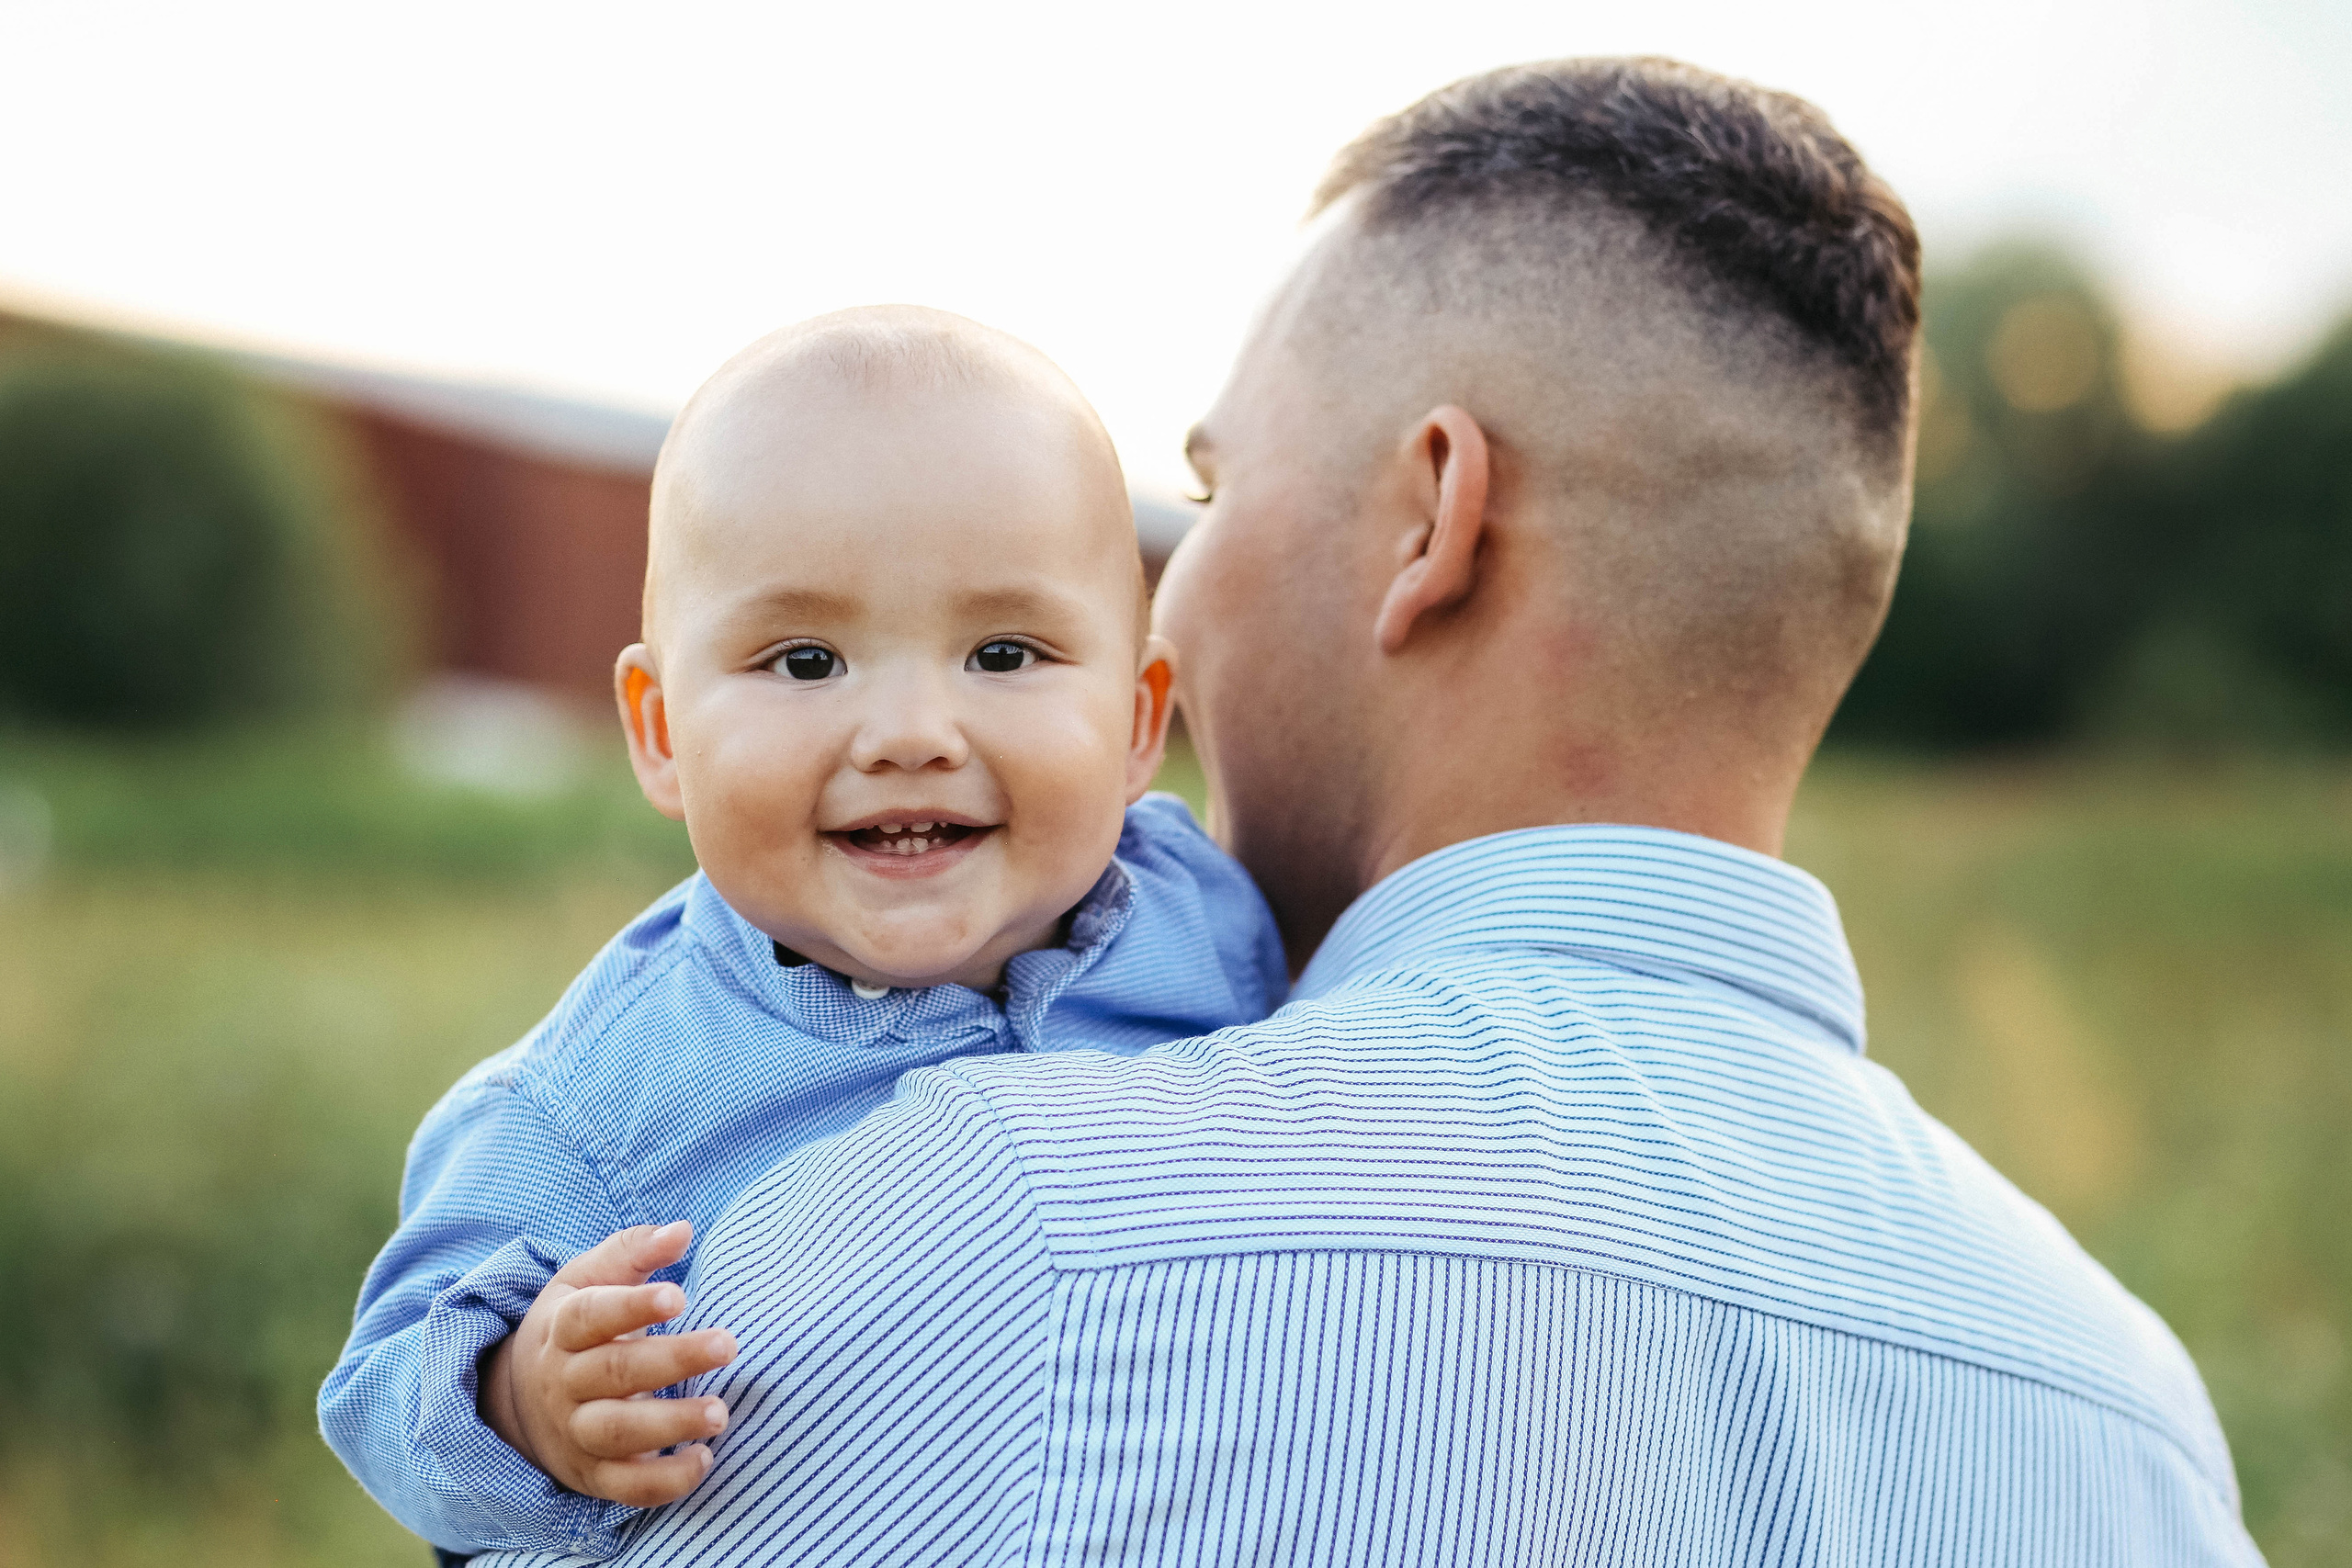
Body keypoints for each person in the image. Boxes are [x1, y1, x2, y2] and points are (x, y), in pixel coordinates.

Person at [471, 57, 2264, 1565]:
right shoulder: (2134, 1418)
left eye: (1213, 485)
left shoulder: (991, 1217)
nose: (1163, 608)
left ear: (1428, 522)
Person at [317, 308, 1288, 1561]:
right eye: (805, 660)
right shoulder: (601, 1098)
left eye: (1004, 651)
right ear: (662, 729)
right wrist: (522, 1398)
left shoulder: (1214, 919)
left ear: (1140, 718)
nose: (908, 731)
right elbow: (390, 1387)